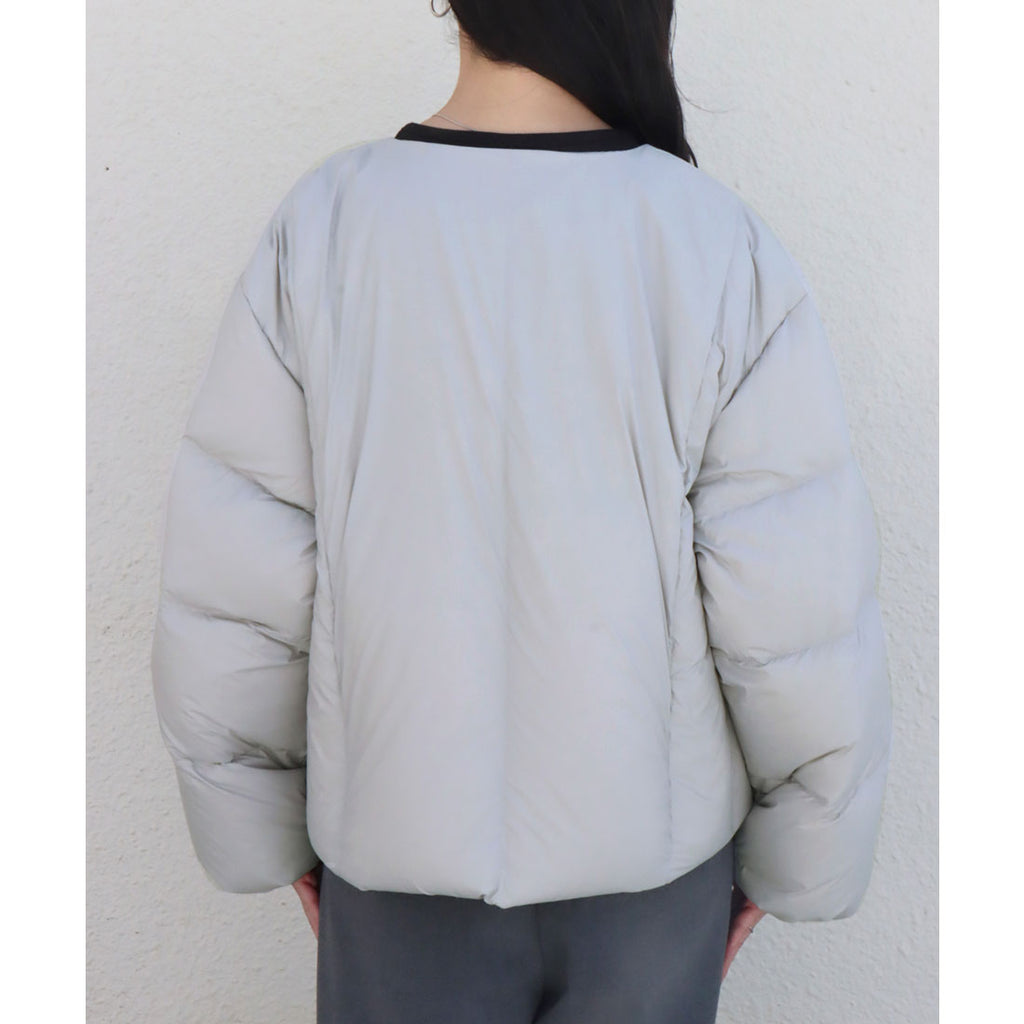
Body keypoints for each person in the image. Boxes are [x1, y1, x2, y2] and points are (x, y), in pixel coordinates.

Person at [149, 2, 894, 1022]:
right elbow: (793, 594)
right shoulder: (712, 239)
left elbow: (238, 570)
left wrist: (254, 824)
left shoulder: (324, 226)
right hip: (650, 888)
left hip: (398, 875)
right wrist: (805, 848)